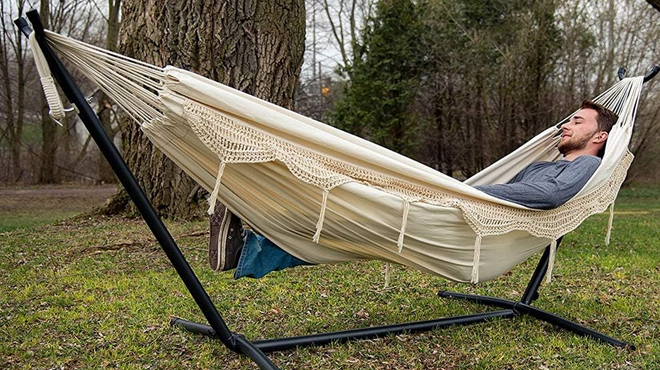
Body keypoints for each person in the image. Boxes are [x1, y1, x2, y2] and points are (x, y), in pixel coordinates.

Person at [208, 100, 618, 278]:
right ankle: (250, 244)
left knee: (361, 212)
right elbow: (520, 191)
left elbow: (548, 198)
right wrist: (468, 196)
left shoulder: (585, 166)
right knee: (357, 232)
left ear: (599, 138)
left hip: (476, 232)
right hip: (466, 217)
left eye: (577, 122)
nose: (565, 125)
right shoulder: (543, 163)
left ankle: (258, 227)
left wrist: (472, 196)